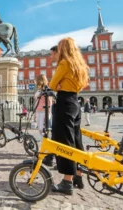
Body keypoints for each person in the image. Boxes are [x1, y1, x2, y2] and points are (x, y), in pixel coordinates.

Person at [49, 37, 88, 195]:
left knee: (64, 141)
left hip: (64, 102)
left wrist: (59, 86)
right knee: (76, 140)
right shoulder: (80, 65)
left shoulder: (64, 63)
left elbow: (52, 85)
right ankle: (78, 175)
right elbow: (82, 85)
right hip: (75, 102)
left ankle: (67, 181)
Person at [34, 74, 53, 141]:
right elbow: (36, 102)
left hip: (44, 111)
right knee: (40, 129)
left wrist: (48, 113)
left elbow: (50, 102)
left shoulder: (46, 90)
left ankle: (47, 142)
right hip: (38, 111)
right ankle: (45, 141)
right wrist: (35, 113)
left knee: (43, 129)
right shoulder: (39, 90)